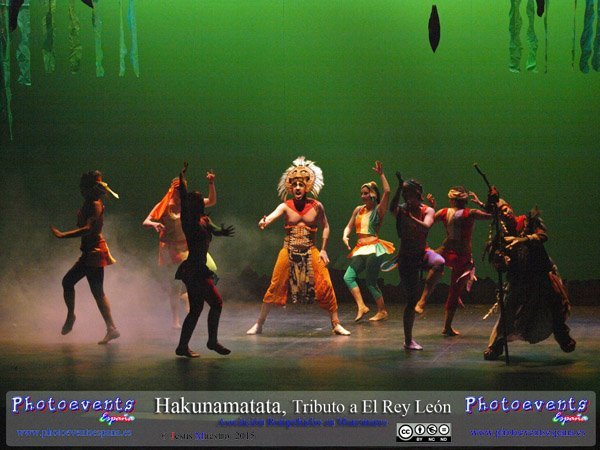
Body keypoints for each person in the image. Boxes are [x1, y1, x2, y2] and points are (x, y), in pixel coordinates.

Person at [246, 156, 350, 336]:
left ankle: (336, 324)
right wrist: (265, 221)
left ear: (306, 187)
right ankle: (259, 324)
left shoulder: (317, 206)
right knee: (275, 285)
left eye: (301, 185)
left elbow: (326, 226)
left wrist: (323, 249)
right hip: (289, 249)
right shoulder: (285, 206)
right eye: (294, 185)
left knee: (325, 283)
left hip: (310, 249)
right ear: (291, 188)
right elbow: (271, 216)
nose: (297, 188)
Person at [483, 199, 576, 360]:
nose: (505, 213)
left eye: (505, 209)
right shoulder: (501, 237)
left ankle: (562, 334)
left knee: (554, 303)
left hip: (541, 273)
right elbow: (498, 263)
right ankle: (496, 345)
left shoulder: (528, 221)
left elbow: (543, 236)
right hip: (519, 278)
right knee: (508, 311)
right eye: (501, 212)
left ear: (510, 207)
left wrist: (523, 239)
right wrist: (503, 261)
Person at [50, 170, 120, 345]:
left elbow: (88, 229)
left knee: (69, 282)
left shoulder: (94, 204)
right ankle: (111, 328)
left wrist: (63, 235)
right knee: (97, 292)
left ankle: (72, 317)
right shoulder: (90, 203)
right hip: (91, 252)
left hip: (94, 253)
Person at [174, 162, 234, 358]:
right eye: (197, 199)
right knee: (216, 303)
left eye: (201, 199)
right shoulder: (188, 221)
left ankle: (182, 346)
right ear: (191, 204)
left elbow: (214, 230)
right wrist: (182, 177)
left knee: (196, 309)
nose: (201, 201)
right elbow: (183, 196)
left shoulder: (204, 220)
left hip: (198, 269)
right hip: (195, 270)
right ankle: (212, 341)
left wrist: (223, 231)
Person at [143, 172, 218, 329]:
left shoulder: (188, 203)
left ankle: (188, 297)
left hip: (187, 246)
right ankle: (175, 320)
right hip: (170, 248)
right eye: (179, 189)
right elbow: (146, 221)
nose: (181, 192)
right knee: (176, 285)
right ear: (173, 190)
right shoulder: (164, 206)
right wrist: (155, 224)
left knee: (211, 269)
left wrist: (211, 183)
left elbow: (211, 201)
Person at [388, 173, 444, 350]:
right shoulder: (401, 209)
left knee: (439, 262)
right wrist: (398, 188)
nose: (406, 196)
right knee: (410, 301)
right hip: (406, 257)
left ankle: (423, 300)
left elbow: (426, 226)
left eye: (409, 193)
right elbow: (392, 208)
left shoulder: (427, 210)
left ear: (417, 193)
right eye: (404, 193)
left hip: (422, 252)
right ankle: (408, 340)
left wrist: (410, 218)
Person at [431, 186, 492, 336]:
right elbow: (491, 215)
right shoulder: (470, 213)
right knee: (455, 288)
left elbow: (427, 222)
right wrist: (481, 203)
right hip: (461, 257)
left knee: (462, 273)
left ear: (452, 200)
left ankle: (431, 294)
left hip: (446, 253)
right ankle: (447, 326)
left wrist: (432, 208)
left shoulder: (444, 212)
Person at [342, 161, 395, 322]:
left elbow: (387, 191)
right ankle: (362, 306)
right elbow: (349, 226)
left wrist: (381, 174)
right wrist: (345, 235)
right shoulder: (358, 210)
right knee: (348, 277)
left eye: (366, 193)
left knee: (371, 282)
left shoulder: (379, 209)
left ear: (373, 194)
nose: (363, 196)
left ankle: (382, 311)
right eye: (362, 193)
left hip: (373, 248)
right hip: (360, 248)